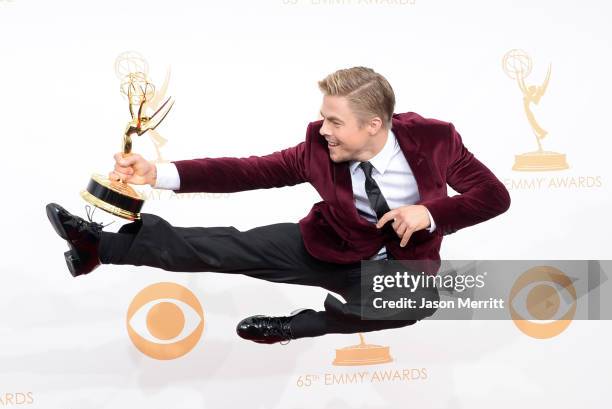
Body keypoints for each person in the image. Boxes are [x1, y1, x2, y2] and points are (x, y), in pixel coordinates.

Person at [46, 66, 511, 345]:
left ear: (374, 124)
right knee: (225, 248)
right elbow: (249, 171)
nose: (323, 128)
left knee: (414, 304)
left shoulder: (436, 139)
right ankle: (98, 247)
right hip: (327, 244)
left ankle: (299, 328)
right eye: (322, 116)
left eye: (335, 121)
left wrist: (429, 213)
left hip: (402, 270)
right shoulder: (317, 146)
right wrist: (160, 174)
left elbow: (494, 197)